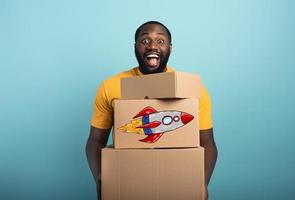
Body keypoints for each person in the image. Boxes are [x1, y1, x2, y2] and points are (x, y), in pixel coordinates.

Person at [86, 21, 218, 200]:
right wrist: (101, 179)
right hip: (127, 181)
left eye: (160, 41)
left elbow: (208, 143)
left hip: (176, 181)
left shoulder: (193, 89)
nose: (153, 46)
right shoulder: (110, 86)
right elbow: (95, 140)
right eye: (145, 41)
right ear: (135, 47)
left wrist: (201, 183)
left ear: (170, 48)